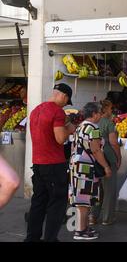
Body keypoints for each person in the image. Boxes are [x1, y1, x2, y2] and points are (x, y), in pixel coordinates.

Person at [25, 83, 76, 242]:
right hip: (54, 164)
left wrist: (66, 123)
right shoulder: (57, 112)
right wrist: (69, 128)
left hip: (38, 163)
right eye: (67, 101)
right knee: (56, 204)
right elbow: (60, 139)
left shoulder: (36, 110)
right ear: (63, 96)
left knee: (38, 202)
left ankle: (32, 238)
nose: (66, 104)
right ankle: (50, 239)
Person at [69, 102, 112, 240]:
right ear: (94, 114)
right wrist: (106, 166)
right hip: (86, 169)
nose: (101, 115)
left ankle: (84, 228)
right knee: (84, 200)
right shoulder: (93, 128)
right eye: (99, 112)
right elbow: (96, 150)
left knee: (82, 199)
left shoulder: (80, 126)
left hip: (77, 167)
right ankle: (80, 231)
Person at [90, 100, 122, 226]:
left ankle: (93, 216)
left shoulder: (93, 123)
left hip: (95, 158)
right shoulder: (109, 123)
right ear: (105, 110)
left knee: (97, 189)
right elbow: (113, 142)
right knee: (109, 189)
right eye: (110, 109)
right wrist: (118, 157)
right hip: (108, 158)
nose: (111, 111)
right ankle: (107, 218)